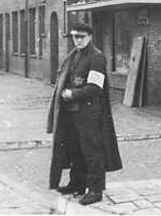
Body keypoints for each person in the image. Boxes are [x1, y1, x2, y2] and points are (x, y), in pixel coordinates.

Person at [47, 22, 122, 205]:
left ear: (90, 37)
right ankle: (77, 184)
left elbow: (95, 88)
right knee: (75, 149)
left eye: (81, 37)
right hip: (72, 113)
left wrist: (72, 94)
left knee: (92, 151)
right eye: (75, 36)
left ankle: (95, 190)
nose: (77, 40)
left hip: (88, 113)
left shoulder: (96, 57)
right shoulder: (73, 55)